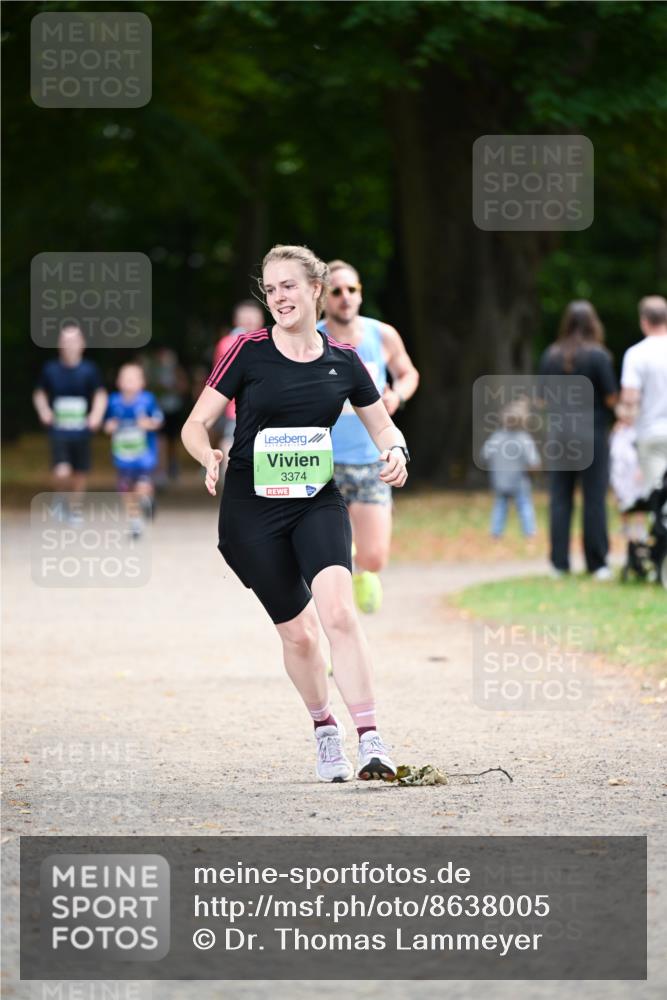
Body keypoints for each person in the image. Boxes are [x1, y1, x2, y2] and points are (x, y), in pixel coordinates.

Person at [181, 245, 410, 783]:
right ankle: (325, 730)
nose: (278, 296)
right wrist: (207, 455)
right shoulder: (247, 352)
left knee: (339, 613)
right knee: (301, 635)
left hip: (315, 501)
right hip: (251, 513)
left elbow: (383, 425)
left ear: (315, 290)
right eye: (271, 287)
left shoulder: (345, 360)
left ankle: (372, 739)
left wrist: (396, 451)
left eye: (289, 285)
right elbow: (195, 425)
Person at [317, 260, 419, 613]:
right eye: (336, 291)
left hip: (371, 460)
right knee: (328, 560)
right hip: (323, 465)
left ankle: (363, 570)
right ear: (322, 297)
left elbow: (408, 373)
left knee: (374, 556)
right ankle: (335, 626)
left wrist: (398, 395)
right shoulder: (311, 339)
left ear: (360, 293)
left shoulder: (382, 335)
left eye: (352, 289)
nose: (345, 297)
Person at [538, 301, 618, 580]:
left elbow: (541, 398)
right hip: (591, 433)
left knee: (560, 498)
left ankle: (559, 563)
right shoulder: (599, 356)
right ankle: (597, 563)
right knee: (594, 498)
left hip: (559, 435)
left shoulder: (551, 354)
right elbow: (611, 398)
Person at [32, 323, 107, 518]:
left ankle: (73, 509)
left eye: (73, 341)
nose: (69, 345)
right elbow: (39, 393)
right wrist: (44, 411)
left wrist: (96, 416)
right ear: (59, 345)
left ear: (82, 344)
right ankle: (60, 496)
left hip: (81, 430)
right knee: (62, 470)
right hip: (59, 430)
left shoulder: (90, 370)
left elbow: (100, 394)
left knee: (80, 473)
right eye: (65, 341)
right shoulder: (50, 369)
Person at [104, 362, 164, 537]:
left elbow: (158, 420)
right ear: (118, 382)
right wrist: (110, 426)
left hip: (144, 454)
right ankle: (135, 520)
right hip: (123, 455)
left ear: (142, 382)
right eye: (125, 378)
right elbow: (107, 423)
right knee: (126, 489)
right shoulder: (113, 401)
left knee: (142, 485)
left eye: (133, 378)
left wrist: (148, 423)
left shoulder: (148, 400)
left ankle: (146, 500)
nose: (129, 382)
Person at [619, 295, 667, 492]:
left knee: (658, 496)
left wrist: (622, 416)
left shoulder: (636, 354)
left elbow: (630, 399)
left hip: (651, 432)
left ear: (644, 321)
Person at [212, 300, 265, 471]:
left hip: (261, 405)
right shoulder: (228, 343)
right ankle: (230, 479)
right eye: (245, 316)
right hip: (234, 407)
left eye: (253, 316)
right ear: (236, 320)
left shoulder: (267, 341)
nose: (249, 320)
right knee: (231, 441)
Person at [481, 398, 540, 540]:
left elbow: (484, 455)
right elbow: (534, 461)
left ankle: (496, 533)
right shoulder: (524, 438)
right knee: (525, 505)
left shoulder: (496, 437)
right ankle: (530, 533)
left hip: (500, 480)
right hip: (519, 480)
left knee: (500, 506)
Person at [144, 348, 189, 483]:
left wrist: (174, 386)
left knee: (173, 440)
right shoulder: (154, 372)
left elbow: (184, 387)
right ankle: (161, 469)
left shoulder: (177, 371)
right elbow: (150, 388)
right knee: (160, 440)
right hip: (160, 409)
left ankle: (173, 465)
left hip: (174, 409)